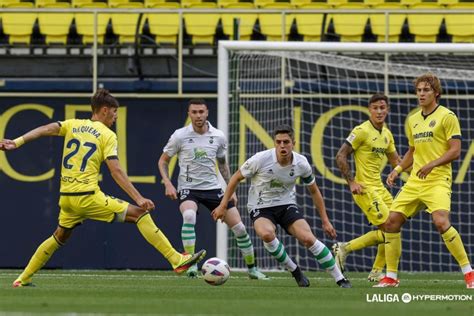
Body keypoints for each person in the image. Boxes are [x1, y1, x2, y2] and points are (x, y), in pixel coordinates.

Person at [1, 89, 206, 288]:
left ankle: (23, 279)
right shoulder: (106, 135)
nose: (115, 117)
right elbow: (115, 171)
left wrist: (17, 142)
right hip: (88, 196)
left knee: (59, 236)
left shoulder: (73, 124)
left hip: (66, 198)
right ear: (105, 110)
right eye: (114, 112)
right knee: (140, 214)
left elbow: (46, 128)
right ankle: (176, 260)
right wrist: (139, 197)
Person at [212, 124, 352, 288]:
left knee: (308, 238)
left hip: (286, 205)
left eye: (286, 142)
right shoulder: (260, 159)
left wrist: (325, 220)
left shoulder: (301, 163)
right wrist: (223, 205)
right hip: (260, 207)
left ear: (293, 142)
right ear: (274, 143)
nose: (282, 146)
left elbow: (314, 191)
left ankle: (340, 278)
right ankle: (295, 271)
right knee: (266, 234)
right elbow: (235, 178)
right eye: (278, 142)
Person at [374, 73, 473, 288]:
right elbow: (412, 151)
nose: (421, 94)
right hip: (415, 182)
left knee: (440, 221)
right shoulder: (413, 119)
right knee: (391, 223)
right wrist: (398, 169)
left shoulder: (448, 116)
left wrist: (431, 164)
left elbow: (455, 151)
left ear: (435, 93)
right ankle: (391, 276)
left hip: (437, 180)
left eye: (425, 90)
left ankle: (469, 273)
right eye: (418, 90)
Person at [158, 99, 268, 279]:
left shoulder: (218, 136)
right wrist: (168, 183)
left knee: (239, 228)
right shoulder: (179, 136)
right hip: (188, 188)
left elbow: (223, 165)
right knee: (189, 215)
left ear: (207, 112)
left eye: (201, 112)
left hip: (213, 188)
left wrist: (230, 191)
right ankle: (191, 265)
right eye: (194, 112)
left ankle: (253, 270)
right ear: (189, 114)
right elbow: (163, 160)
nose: (198, 116)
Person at [333, 94, 403, 282]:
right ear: (369, 110)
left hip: (380, 187)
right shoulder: (361, 130)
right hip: (364, 188)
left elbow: (396, 161)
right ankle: (345, 248)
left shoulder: (387, 134)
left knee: (394, 227)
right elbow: (340, 156)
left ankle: (375, 271)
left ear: (387, 109)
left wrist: (416, 169)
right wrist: (352, 182)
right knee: (389, 230)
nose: (379, 112)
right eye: (375, 108)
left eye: (382, 108)